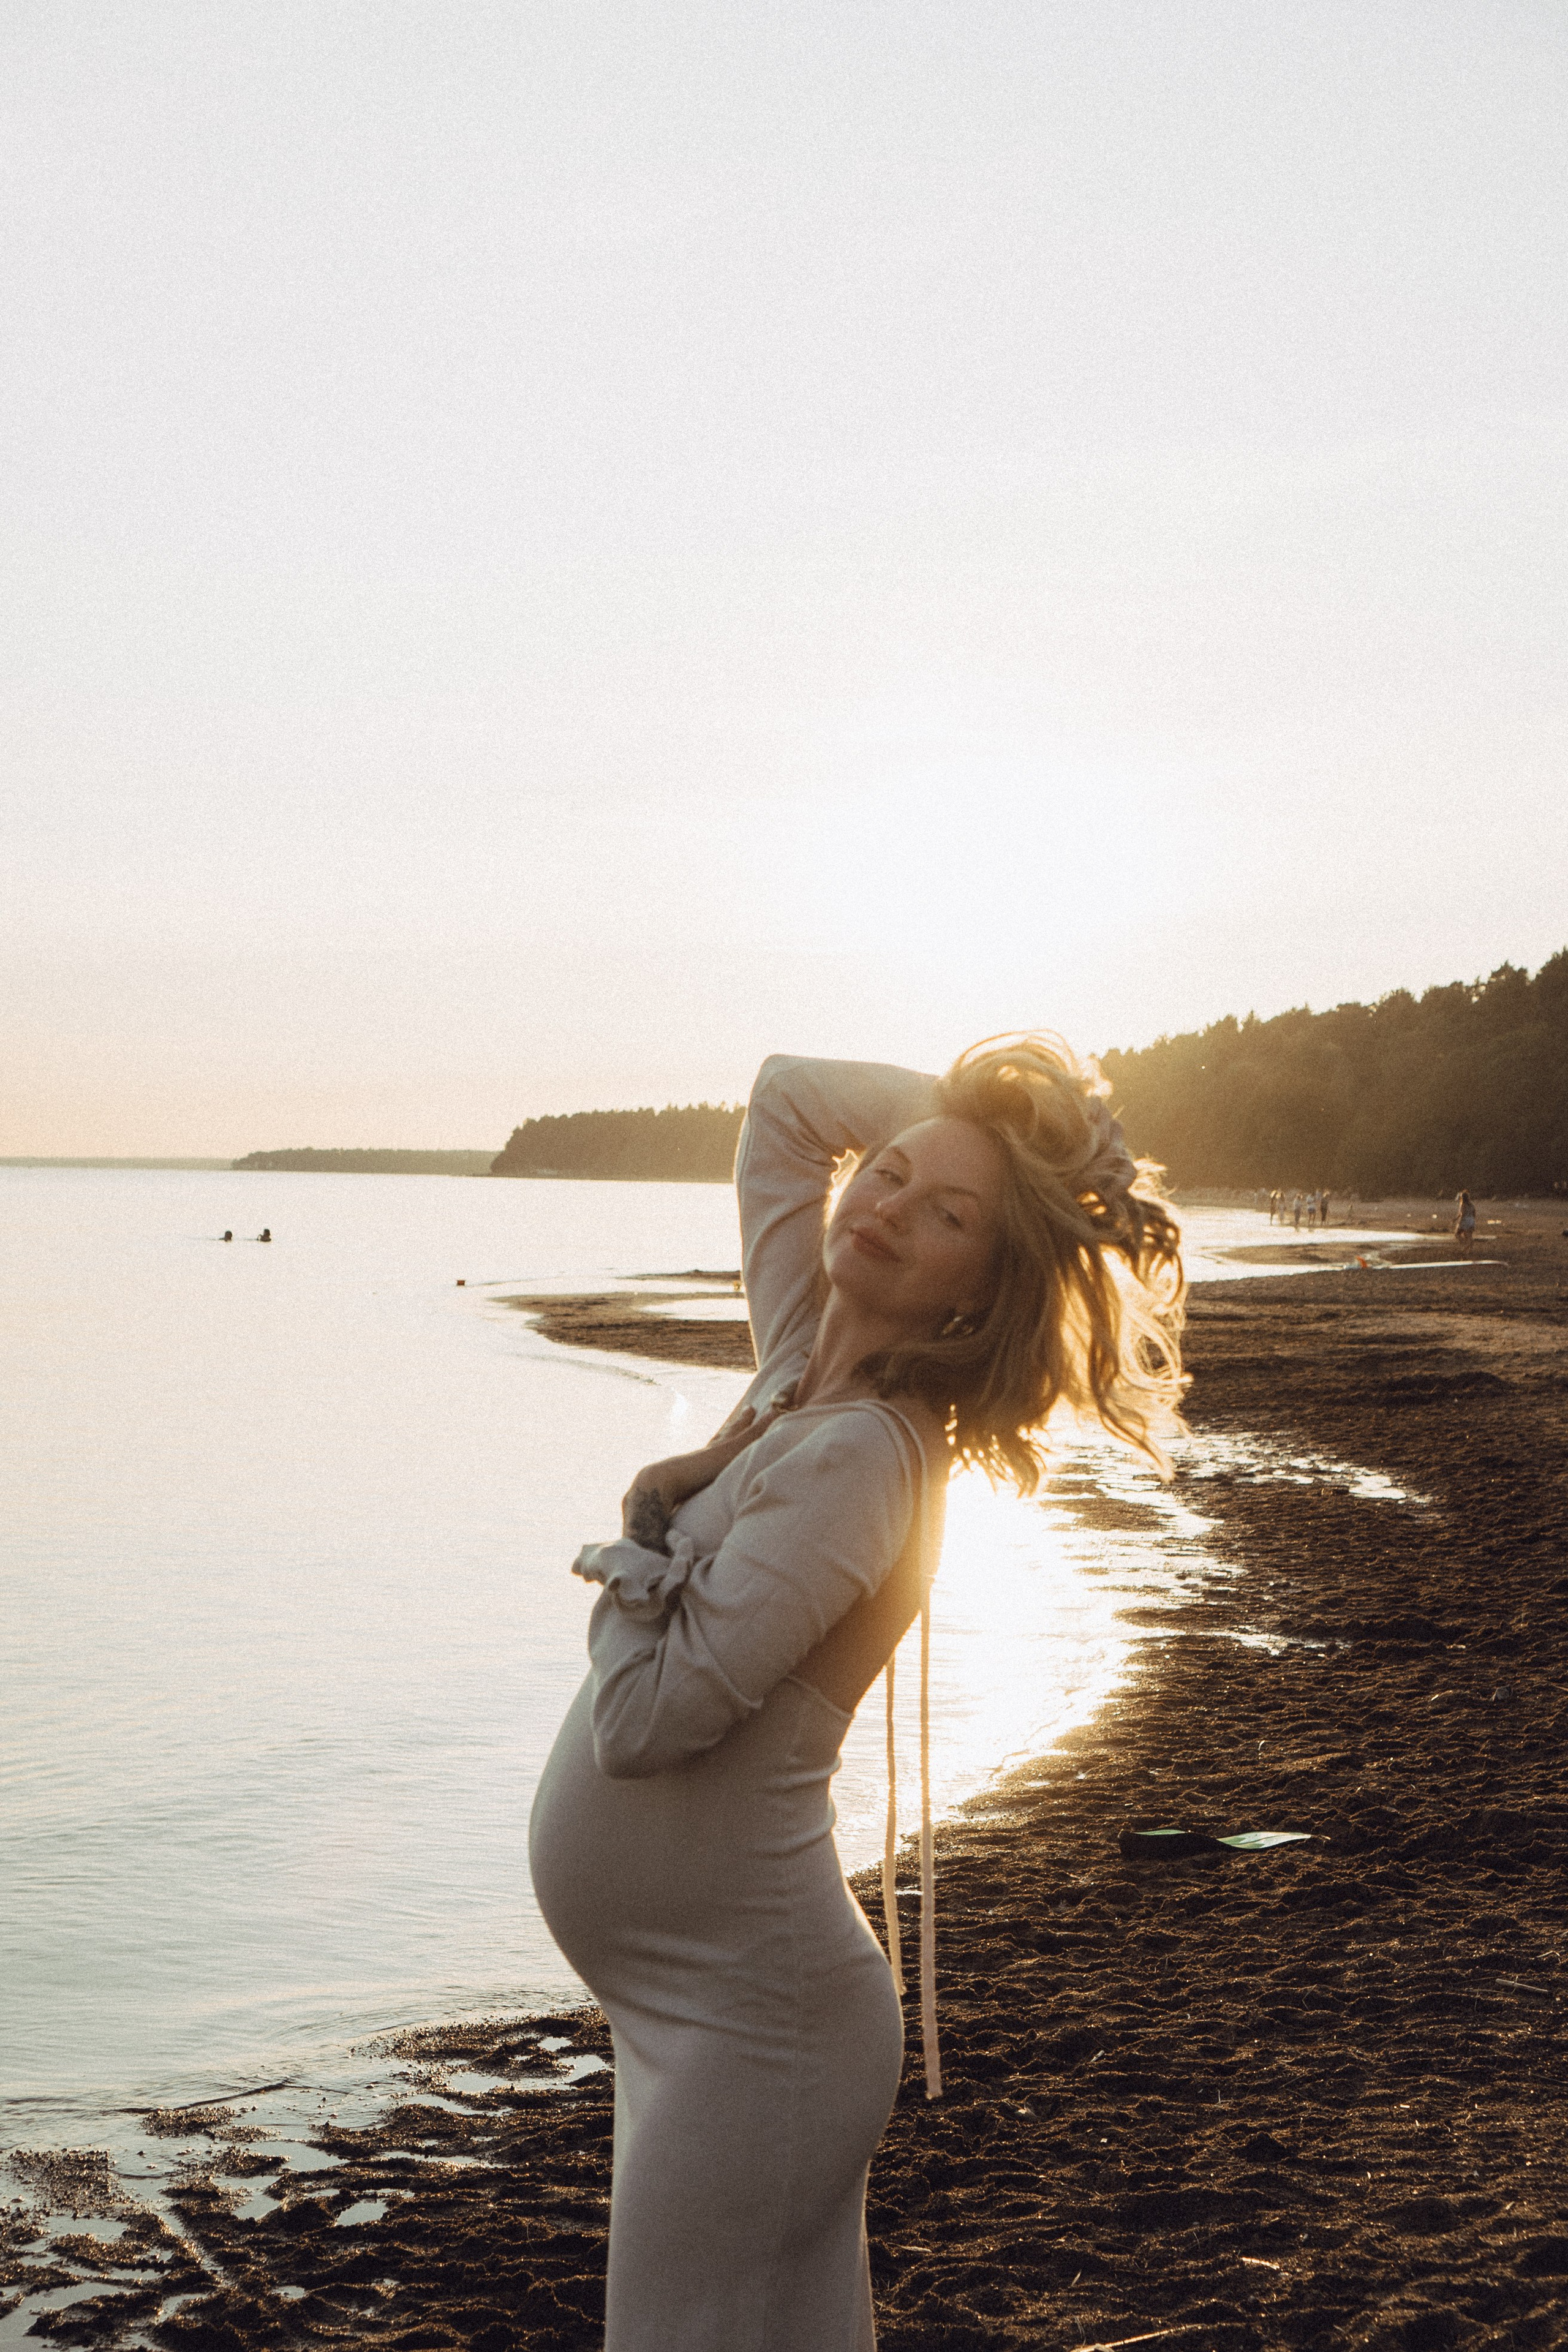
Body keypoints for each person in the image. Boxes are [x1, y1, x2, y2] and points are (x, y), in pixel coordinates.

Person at [529, 1038, 1186, 2350]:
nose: (885, 1207)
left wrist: (641, 1539)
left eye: (944, 1218)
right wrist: (985, 1134)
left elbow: (643, 1725)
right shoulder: (793, 1375)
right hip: (699, 2010)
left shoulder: (861, 1459)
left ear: (975, 1296)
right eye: (883, 1177)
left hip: (750, 2024)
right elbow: (781, 1103)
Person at [1455, 1189, 1477, 1253]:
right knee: (1469, 1236)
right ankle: (1470, 1250)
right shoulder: (1472, 1204)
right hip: (1471, 1220)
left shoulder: (1463, 1205)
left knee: (1457, 1234)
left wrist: (1459, 1221)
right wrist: (1473, 1221)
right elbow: (1474, 1213)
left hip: (1465, 1220)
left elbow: (1462, 1214)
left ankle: (1465, 1245)